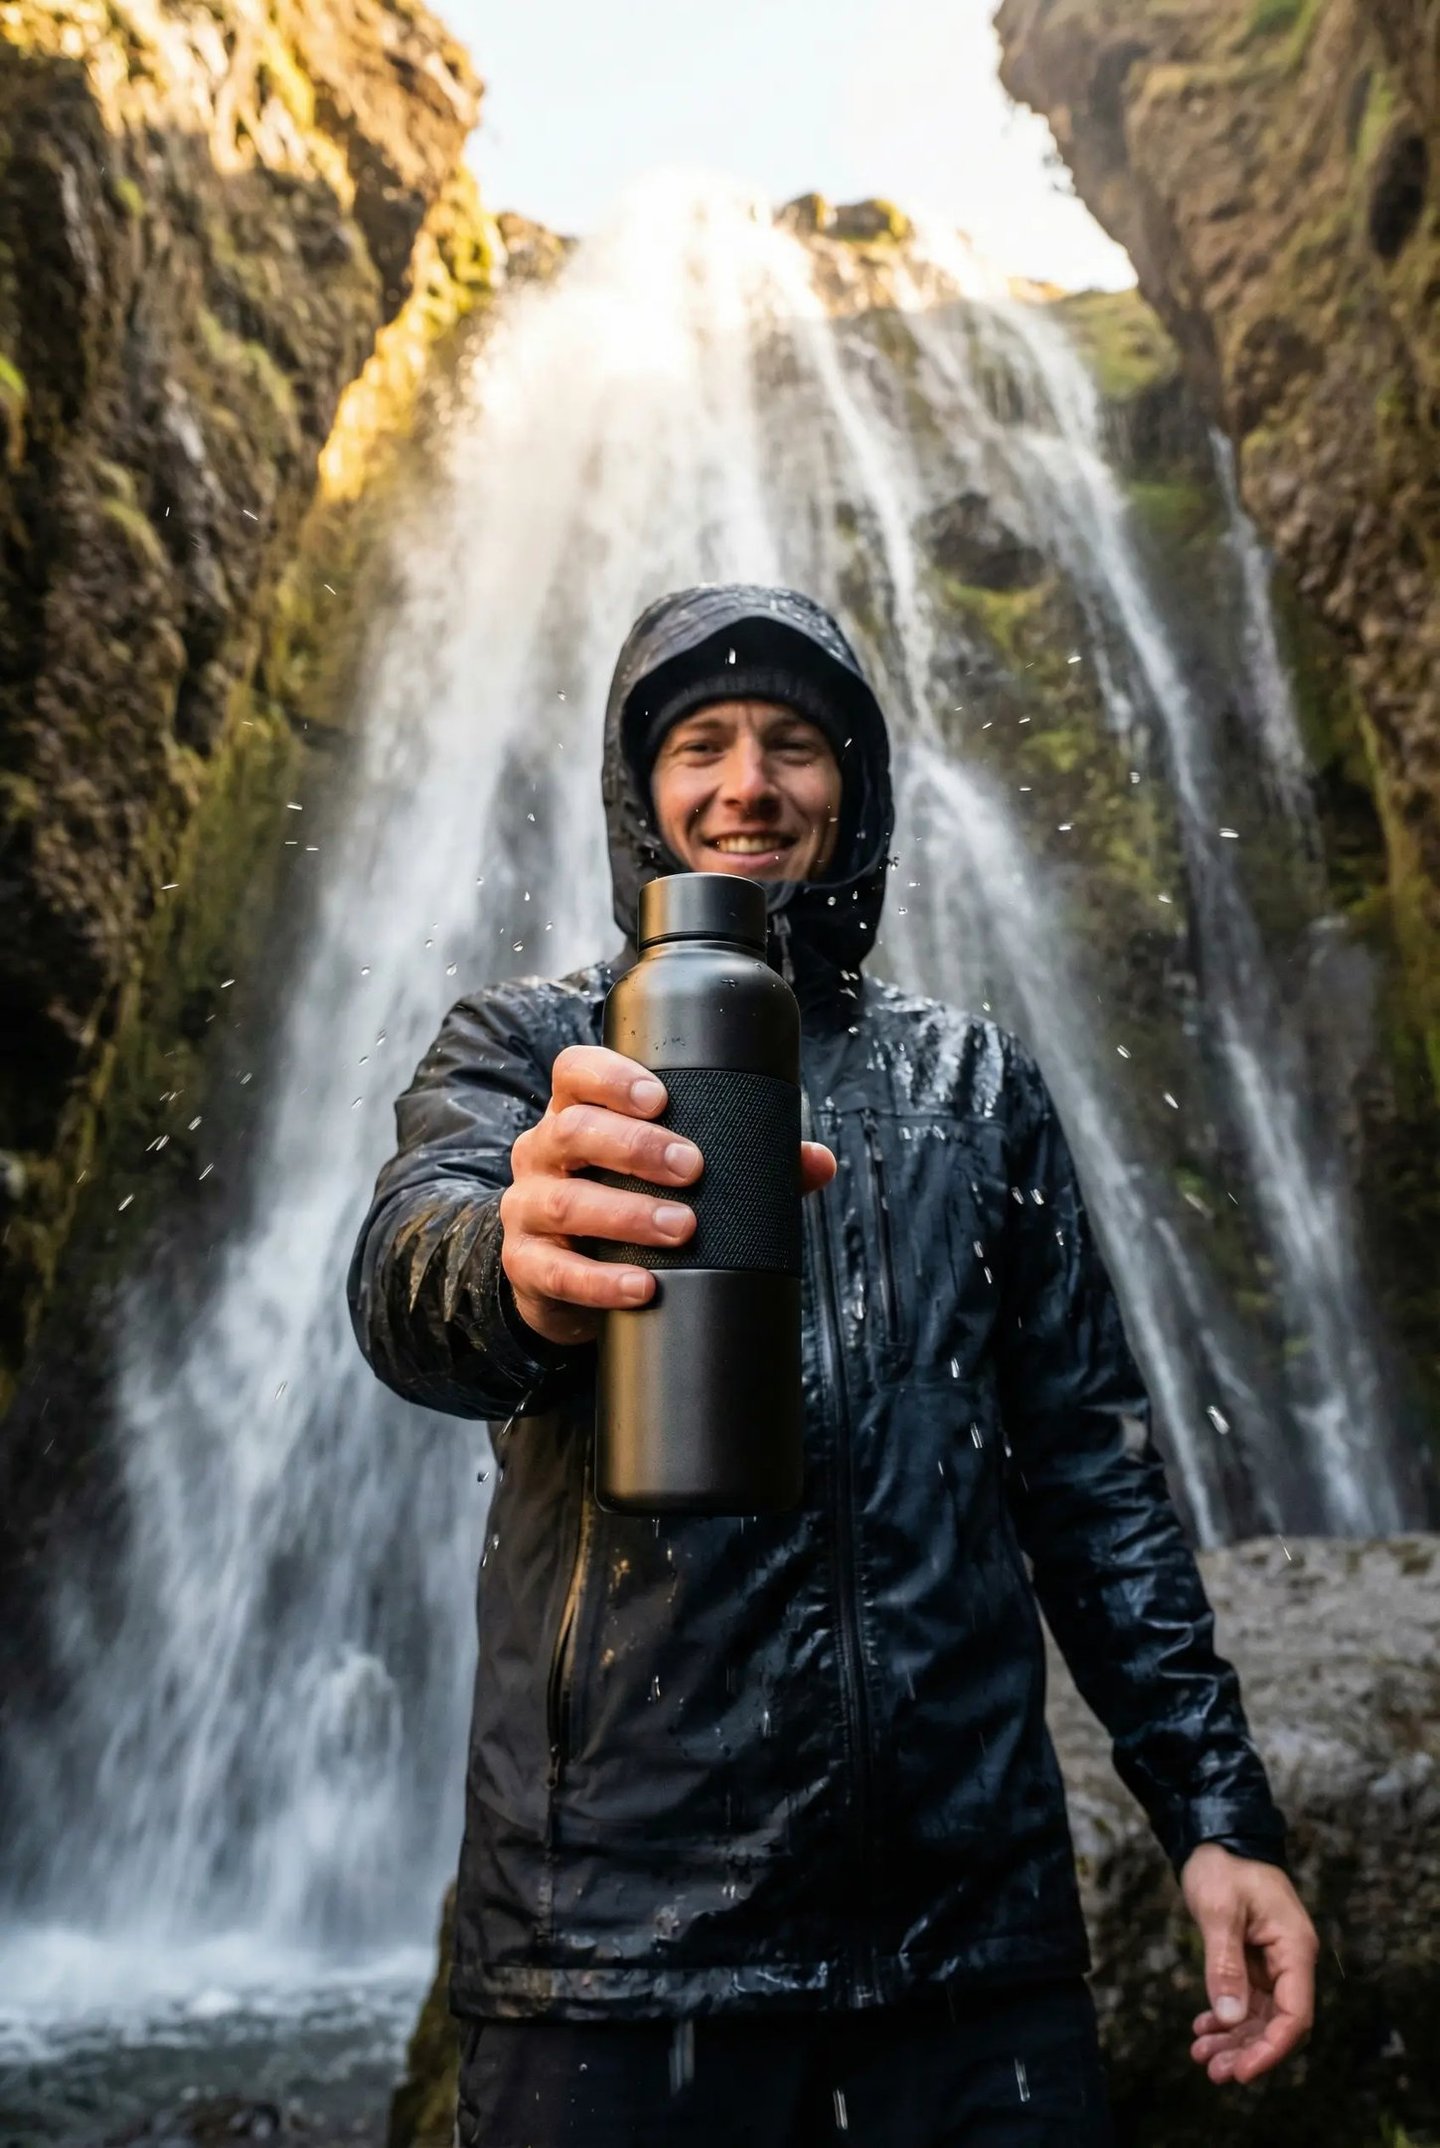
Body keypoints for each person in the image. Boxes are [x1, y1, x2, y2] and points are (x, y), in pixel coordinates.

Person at [348, 585, 1318, 2148]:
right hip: (616, 1958)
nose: (749, 782)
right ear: (637, 793)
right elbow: (410, 1282)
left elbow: (1089, 1475)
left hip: (969, 1962)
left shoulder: (973, 1081)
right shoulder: (537, 1051)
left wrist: (1217, 1817)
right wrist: (511, 1265)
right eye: (704, 744)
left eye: (794, 744)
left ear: (851, 790)